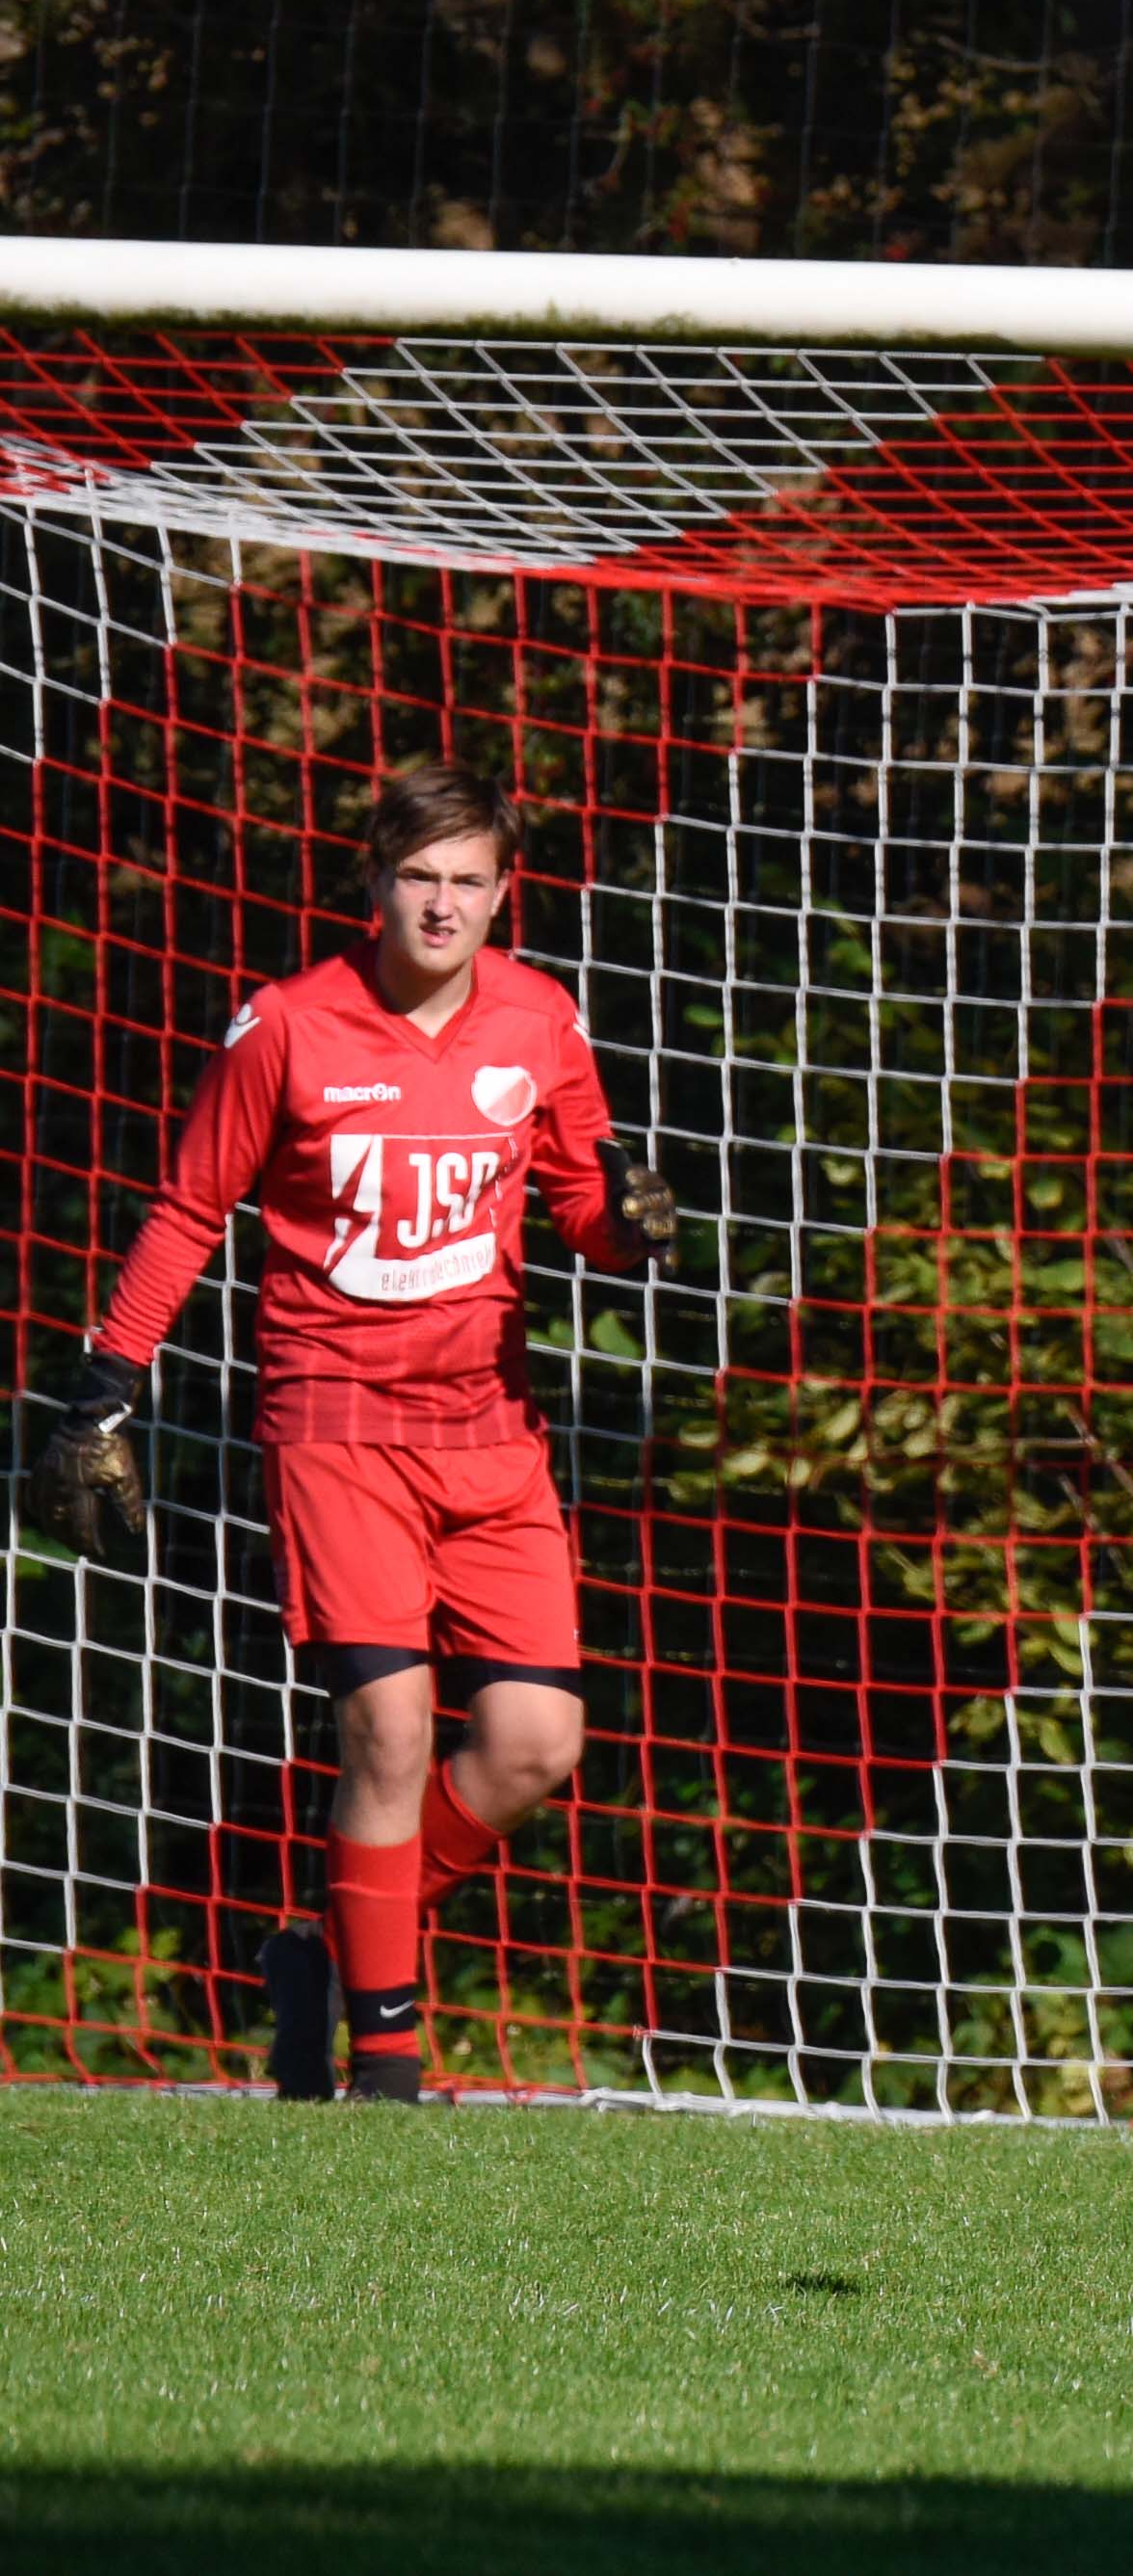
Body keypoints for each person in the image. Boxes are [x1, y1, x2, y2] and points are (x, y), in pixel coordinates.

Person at [18, 764, 675, 2103]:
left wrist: (631, 1226)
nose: (442, 904)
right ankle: (381, 2065)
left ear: (503, 892)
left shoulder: (541, 1019)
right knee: (389, 1729)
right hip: (336, 1423)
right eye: (419, 876)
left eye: (469, 881)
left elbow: (584, 1204)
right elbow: (189, 1207)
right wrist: (103, 1386)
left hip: (493, 1430)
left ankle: (327, 1948)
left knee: (534, 1746)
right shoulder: (288, 1025)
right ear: (374, 881)